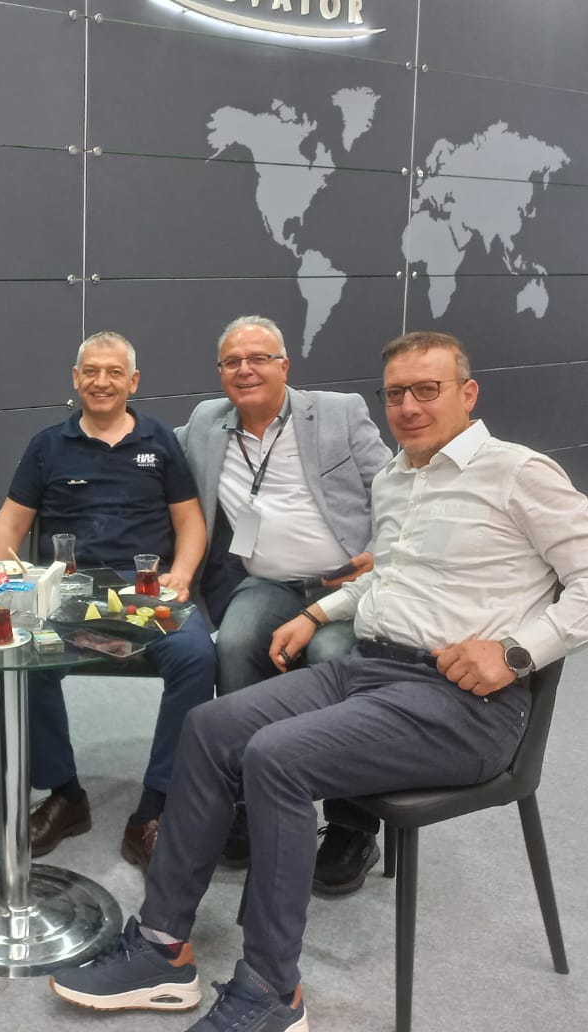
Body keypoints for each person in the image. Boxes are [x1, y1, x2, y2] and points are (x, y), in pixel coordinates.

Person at [48, 330, 588, 1030]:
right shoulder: (396, 478)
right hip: (373, 667)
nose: (409, 407)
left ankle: (272, 992)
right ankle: (161, 948)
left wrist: (515, 653)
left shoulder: (519, 473)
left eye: (428, 390)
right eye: (396, 394)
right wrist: (317, 613)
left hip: (464, 704)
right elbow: (389, 576)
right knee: (210, 727)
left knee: (277, 758)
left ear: (468, 393)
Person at [0, 331, 212, 870]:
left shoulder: (160, 441)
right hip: (70, 591)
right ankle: (65, 794)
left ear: (133, 381)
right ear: (75, 378)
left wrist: (181, 574)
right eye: (91, 371)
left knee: (198, 658)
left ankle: (156, 805)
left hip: (145, 592)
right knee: (23, 655)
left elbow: (190, 522)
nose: (101, 382)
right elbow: (10, 524)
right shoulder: (47, 446)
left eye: (114, 372)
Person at [178, 316, 391, 887]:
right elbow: (143, 451)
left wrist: (381, 554)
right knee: (235, 643)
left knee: (333, 658)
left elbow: (393, 487)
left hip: (342, 583)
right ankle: (246, 801)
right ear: (220, 372)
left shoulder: (339, 412)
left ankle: (352, 824)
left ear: (284, 365)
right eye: (232, 362)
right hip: (268, 583)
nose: (245, 370)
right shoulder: (205, 423)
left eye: (259, 358)